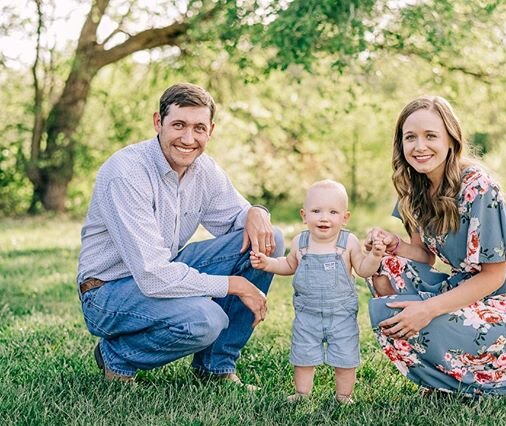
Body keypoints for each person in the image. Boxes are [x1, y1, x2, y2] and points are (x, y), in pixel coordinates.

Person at [365, 95, 506, 396]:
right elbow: (424, 255)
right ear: (401, 144)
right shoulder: (413, 186)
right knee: (383, 269)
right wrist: (392, 244)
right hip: (462, 289)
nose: (420, 146)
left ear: (451, 139)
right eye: (410, 137)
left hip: (503, 303)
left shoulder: (478, 187)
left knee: (399, 314)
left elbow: (494, 276)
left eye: (430, 136)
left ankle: (471, 375)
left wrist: (427, 309)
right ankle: (446, 372)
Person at [77, 83, 284, 387]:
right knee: (206, 319)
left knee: (270, 239)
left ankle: (216, 367)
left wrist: (257, 211)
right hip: (107, 292)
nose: (189, 139)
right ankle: (117, 355)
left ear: (210, 130)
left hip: (160, 271)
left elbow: (239, 220)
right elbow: (153, 275)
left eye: (199, 128)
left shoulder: (204, 170)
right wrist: (234, 285)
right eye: (178, 125)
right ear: (157, 123)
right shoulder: (126, 173)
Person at [250, 180, 385, 404]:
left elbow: (362, 270)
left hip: (341, 315)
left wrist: (375, 257)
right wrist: (268, 263)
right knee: (303, 358)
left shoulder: (348, 242)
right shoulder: (300, 242)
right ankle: (302, 394)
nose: (324, 217)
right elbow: (288, 265)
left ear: (345, 217)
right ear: (304, 215)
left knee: (345, 359)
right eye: (316, 211)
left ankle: (344, 396)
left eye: (333, 212)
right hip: (307, 315)